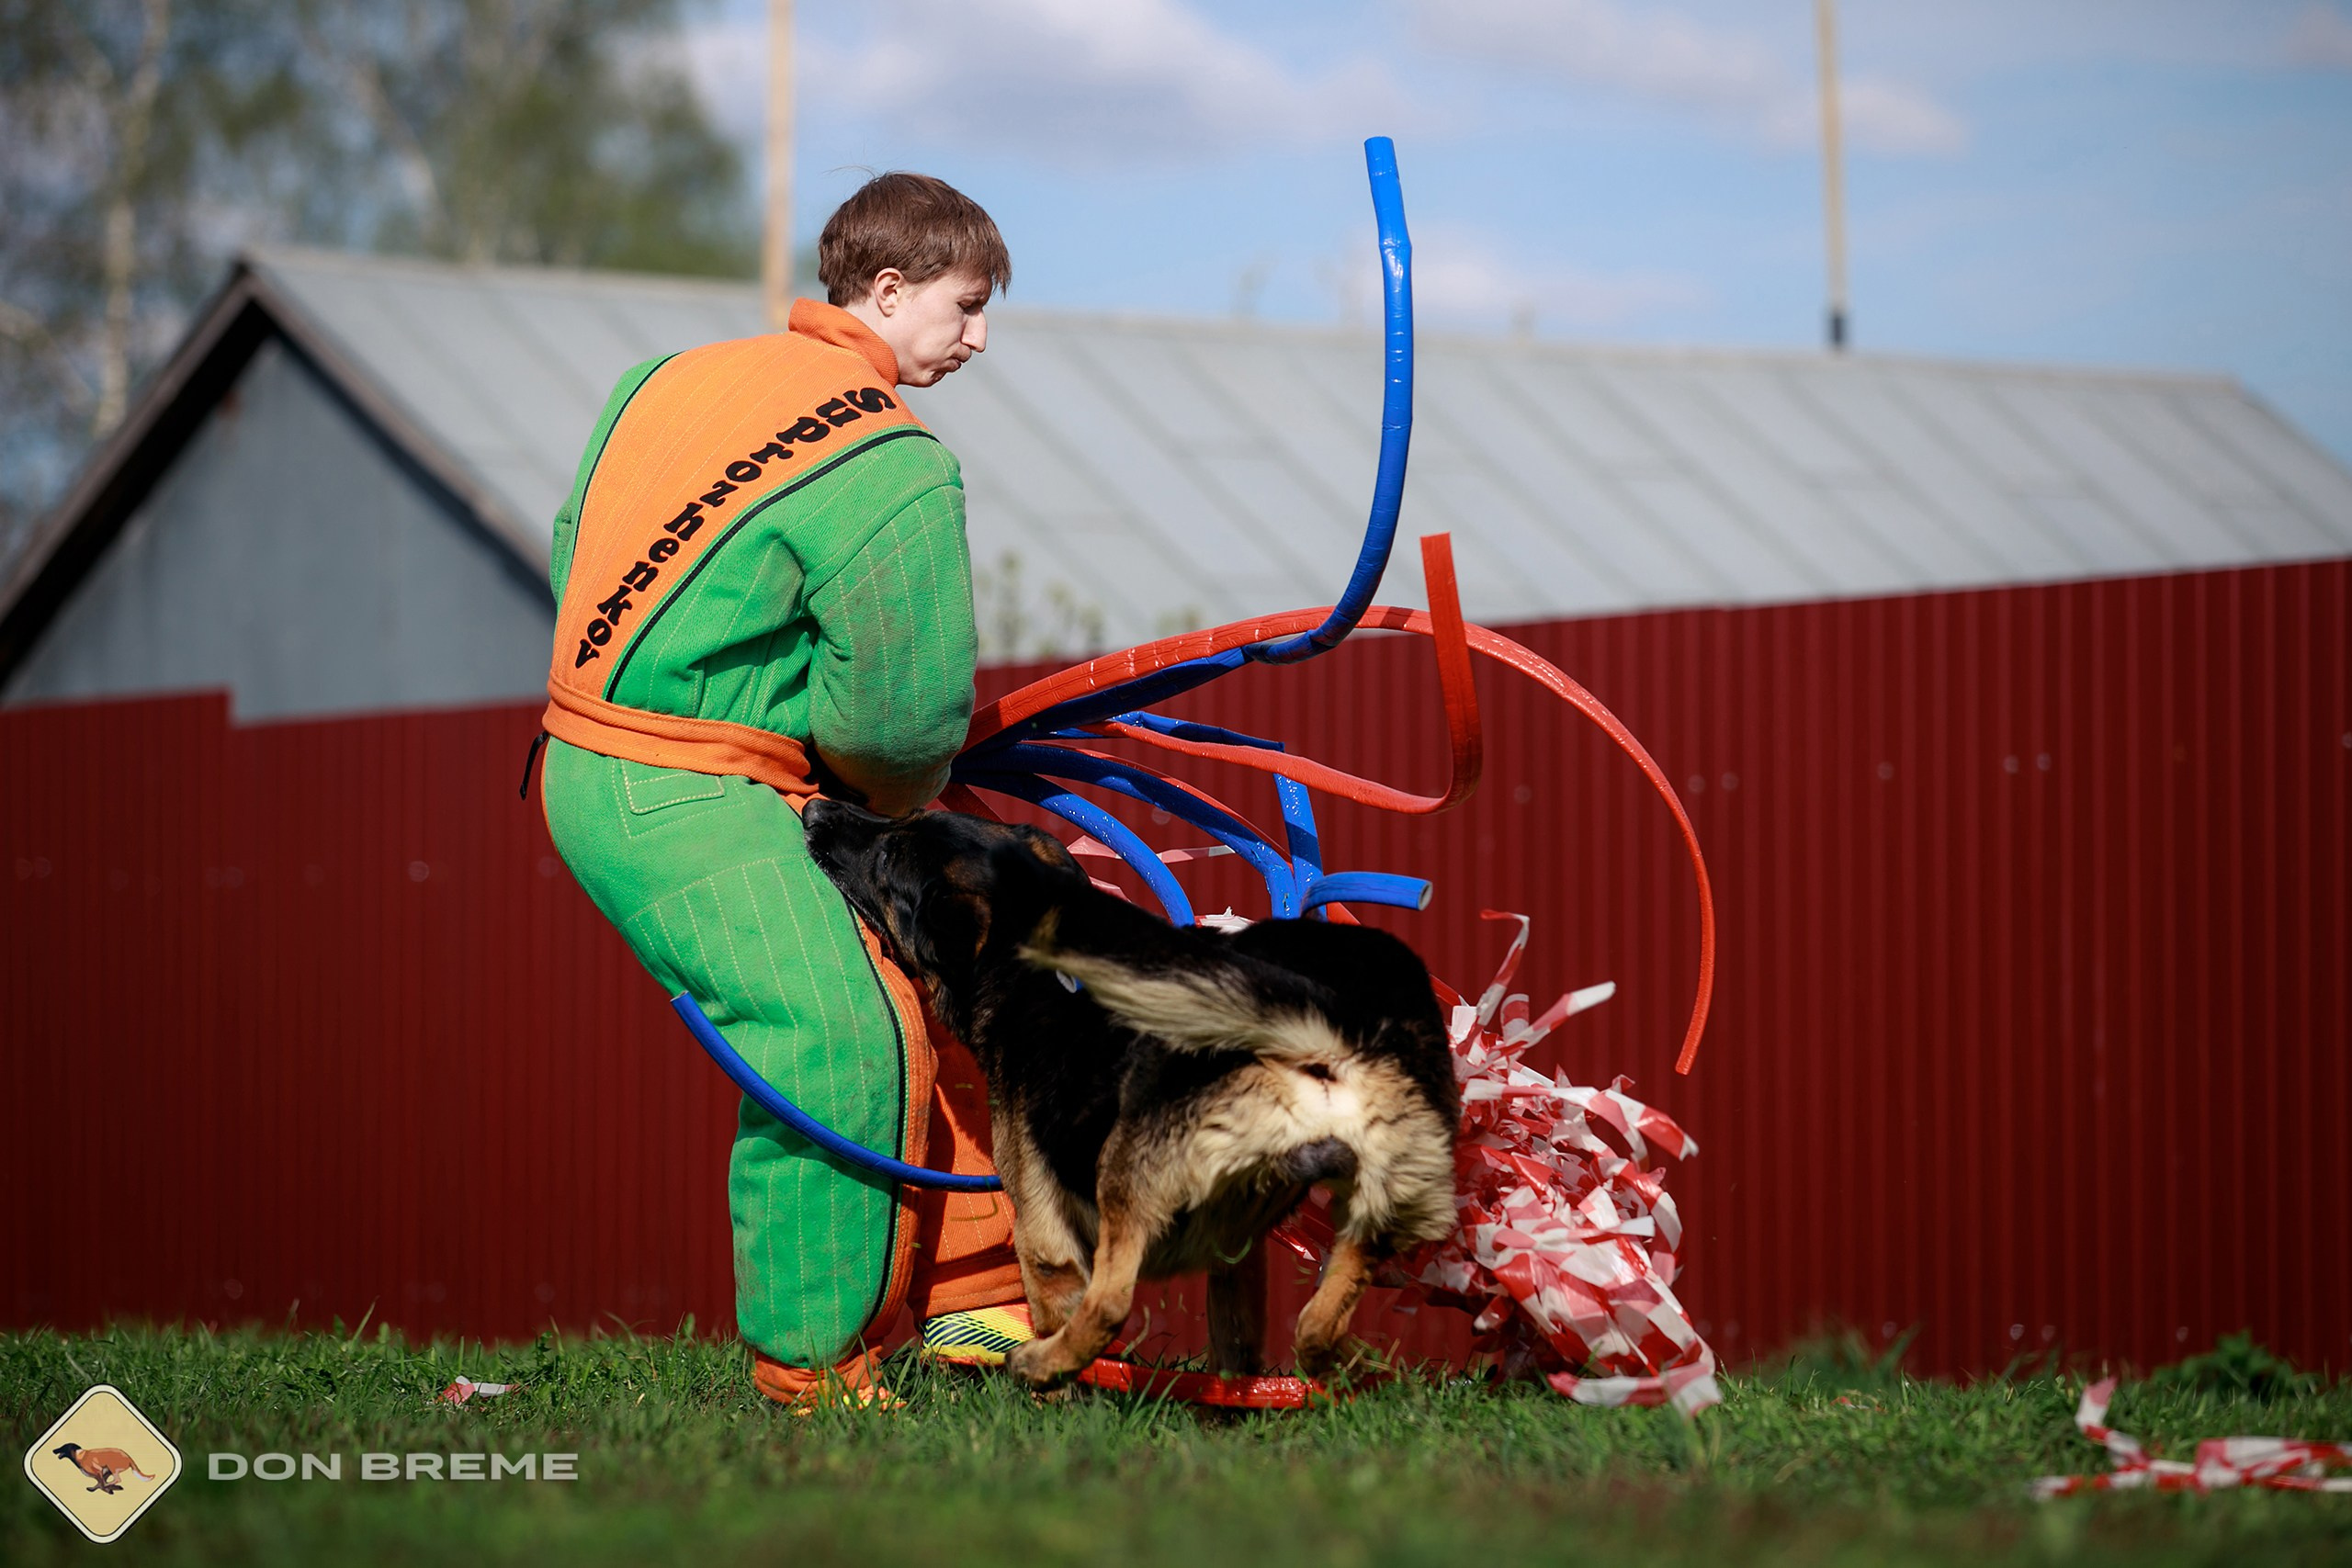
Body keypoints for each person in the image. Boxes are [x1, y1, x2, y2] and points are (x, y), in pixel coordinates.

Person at [536, 172, 1034, 1405]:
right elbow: (901, 725)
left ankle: (979, 1303)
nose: (978, 337)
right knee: (837, 1035)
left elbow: (570, 543)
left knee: (929, 971)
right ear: (888, 288)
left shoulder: (671, 378)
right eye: (966, 306)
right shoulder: (891, 463)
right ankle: (813, 1369)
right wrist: (855, 784)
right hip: (689, 791)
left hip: (584, 763)